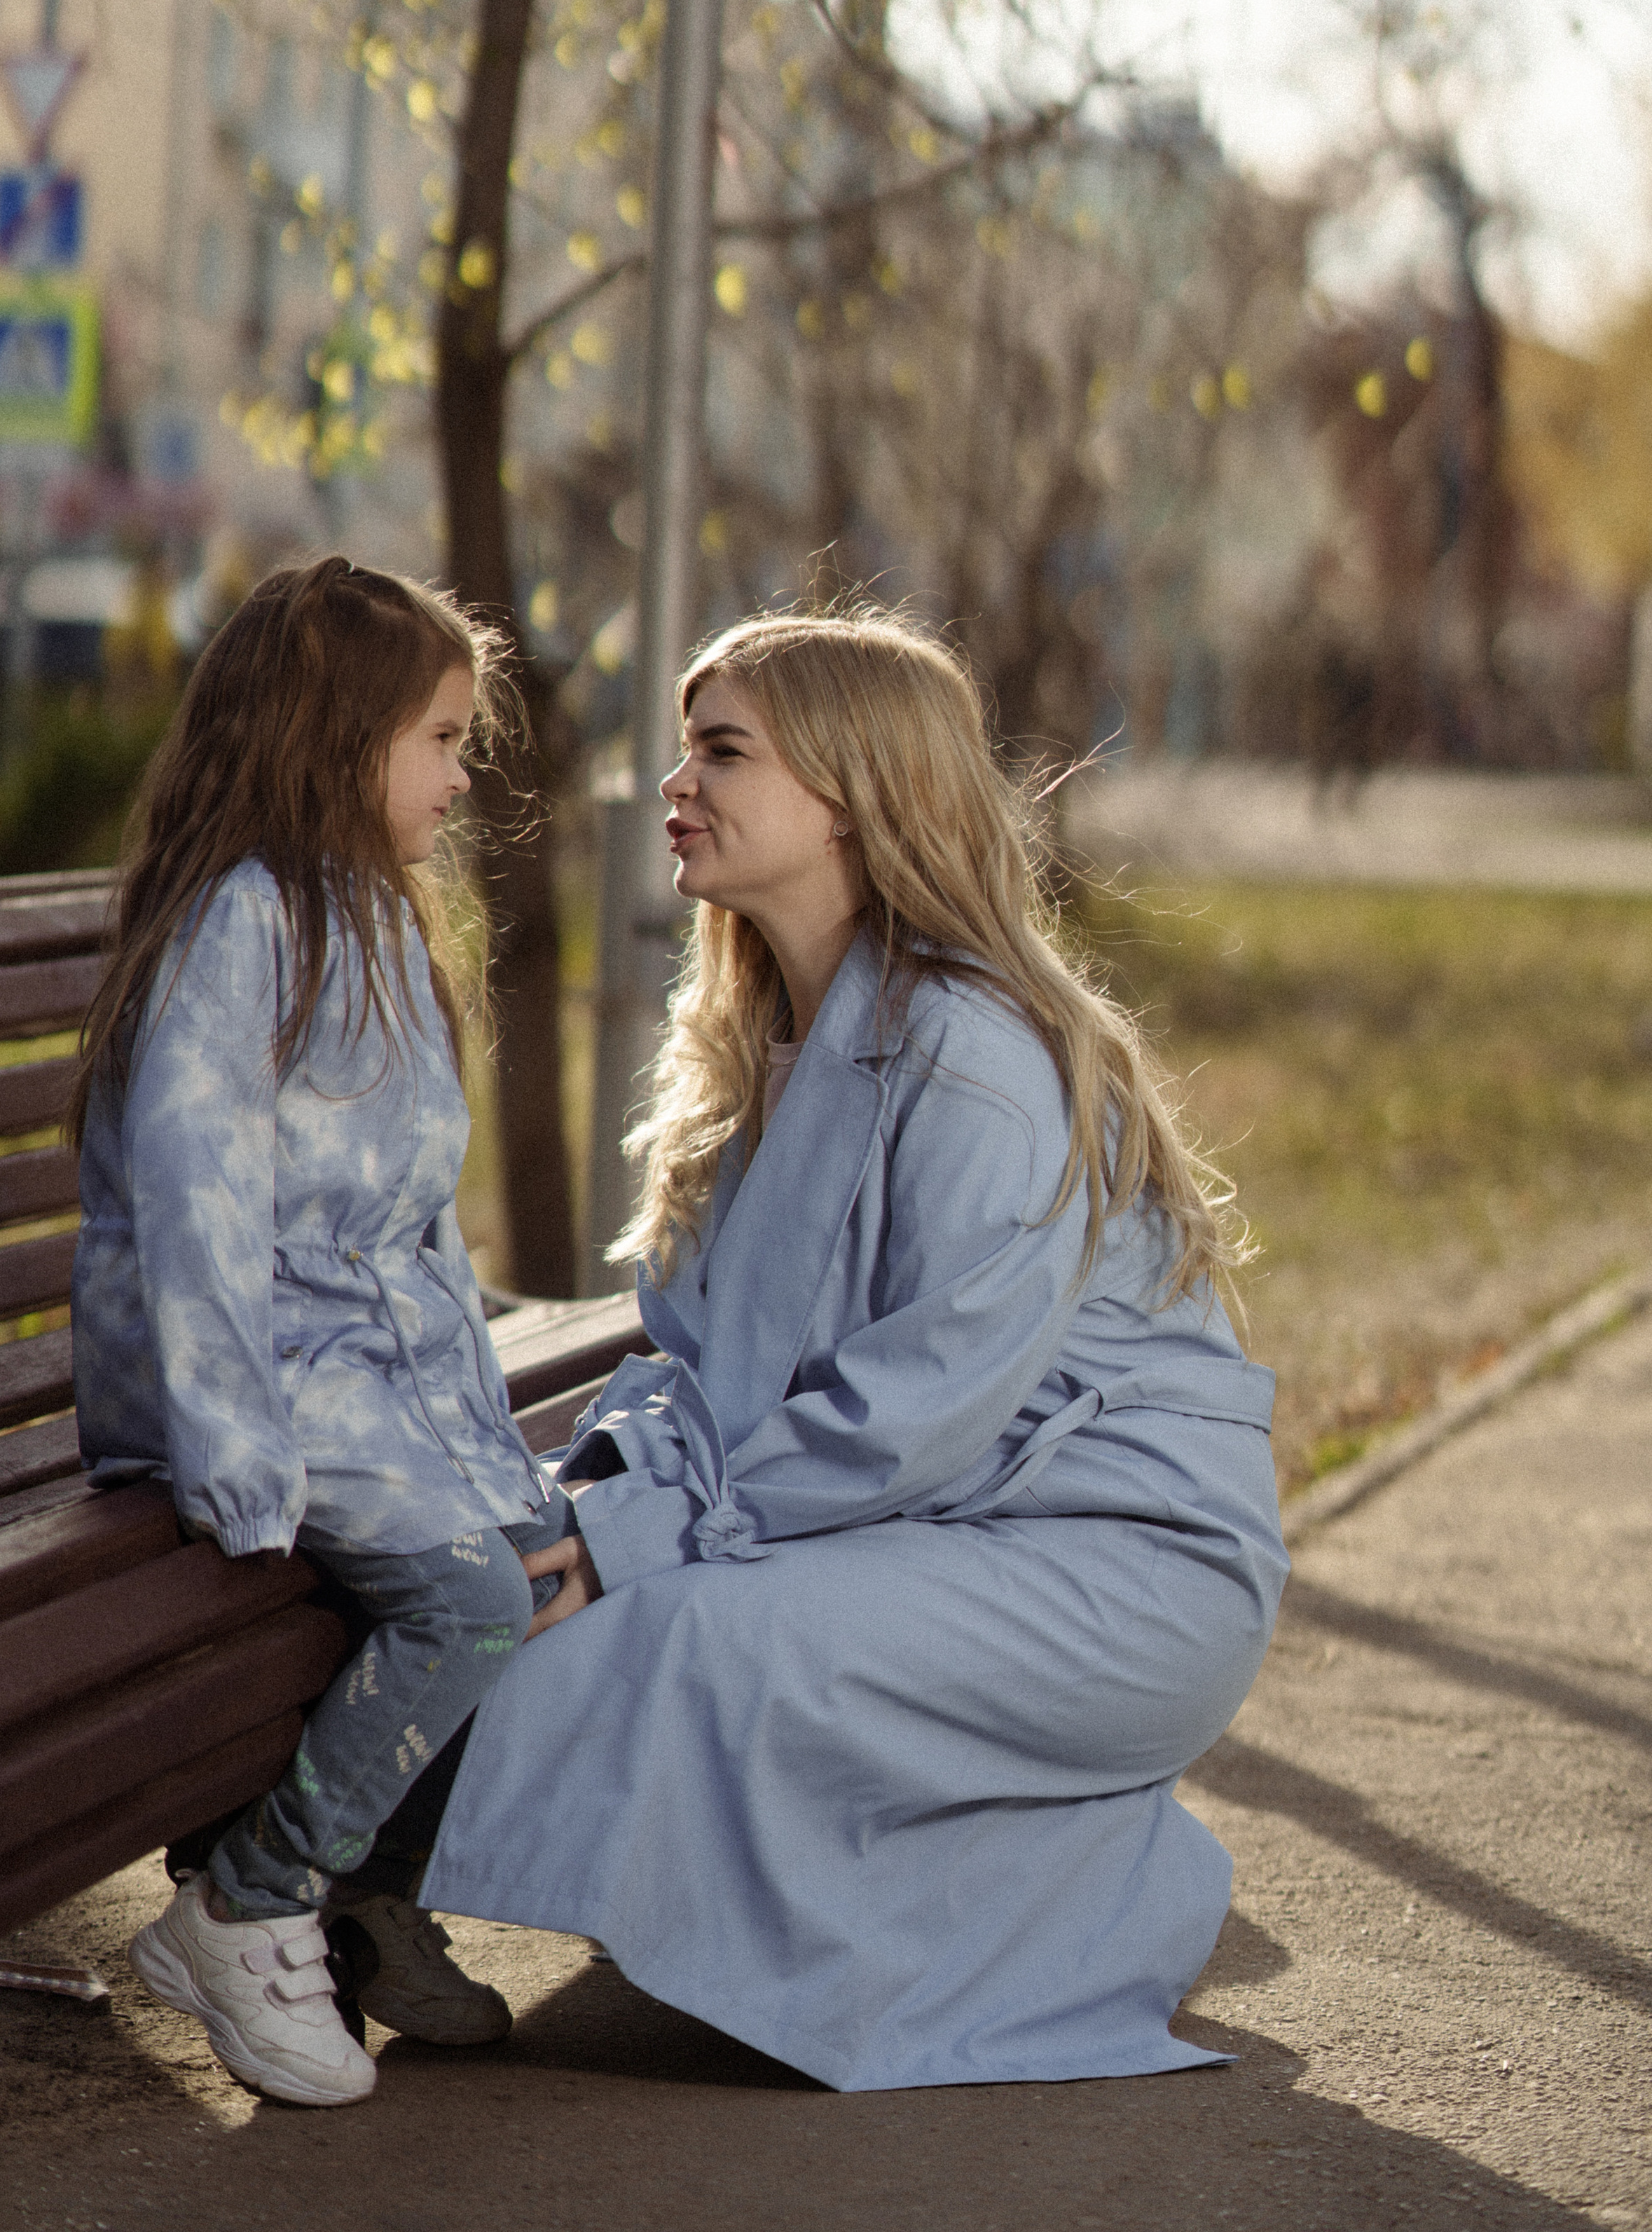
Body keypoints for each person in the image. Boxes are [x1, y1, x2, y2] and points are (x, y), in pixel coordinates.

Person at [410, 606, 1289, 2090]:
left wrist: (639, 1531)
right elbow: (716, 1371)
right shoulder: (778, 1035)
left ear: (853, 793)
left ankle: (325, 1852)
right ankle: (346, 1847)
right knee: (600, 1599)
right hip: (944, 1521)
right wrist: (599, 1496)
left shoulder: (972, 1056)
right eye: (686, 745)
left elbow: (911, 1412)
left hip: (1118, 1567)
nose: (675, 781)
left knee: (690, 1634)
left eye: (721, 751)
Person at [69, 557, 565, 2109]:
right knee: (472, 1595)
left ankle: (364, 1889)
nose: (459, 770)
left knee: (541, 1565)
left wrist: (477, 1411)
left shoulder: (377, 919)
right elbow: (195, 1199)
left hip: (367, 1364)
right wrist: (232, 1435)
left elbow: (418, 1216)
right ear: (329, 735)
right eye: (437, 736)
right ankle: (250, 1901)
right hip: (257, 1376)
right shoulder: (247, 926)